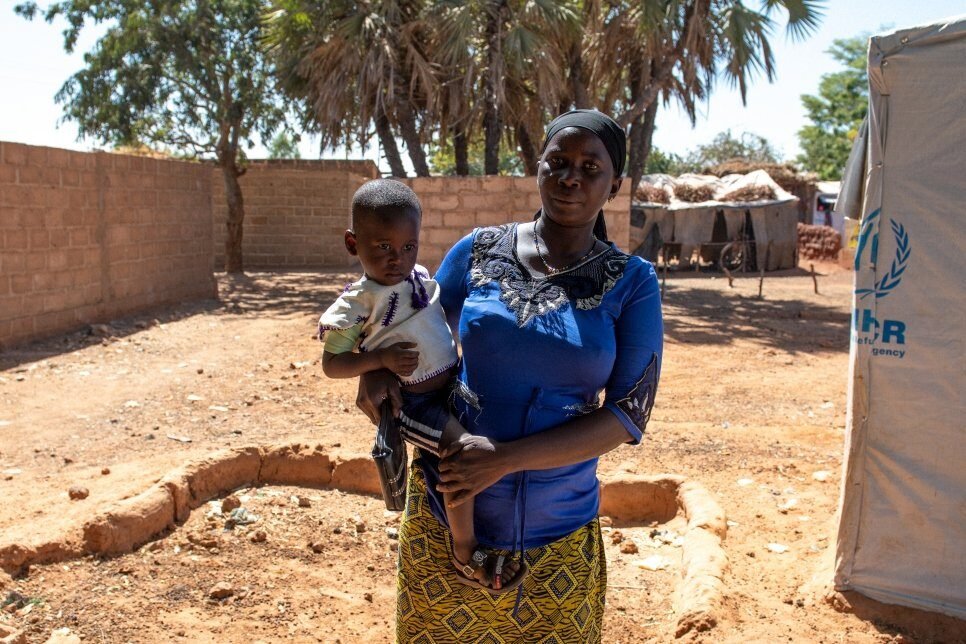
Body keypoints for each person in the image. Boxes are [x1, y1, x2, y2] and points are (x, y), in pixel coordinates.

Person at [356, 110, 664, 642]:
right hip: (443, 514)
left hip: (557, 537)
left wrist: (502, 461)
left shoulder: (632, 283)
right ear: (538, 167)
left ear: (613, 186)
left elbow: (627, 415)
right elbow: (406, 329)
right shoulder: (476, 252)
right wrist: (375, 375)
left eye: (590, 168)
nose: (571, 176)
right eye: (559, 162)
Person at [318, 179, 527, 594]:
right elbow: (331, 364)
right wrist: (379, 361)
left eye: (407, 246)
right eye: (382, 247)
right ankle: (465, 552)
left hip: (450, 388)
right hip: (413, 404)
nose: (397, 258)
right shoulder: (355, 303)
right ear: (351, 243)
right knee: (462, 453)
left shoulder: (416, 277)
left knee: (479, 446)